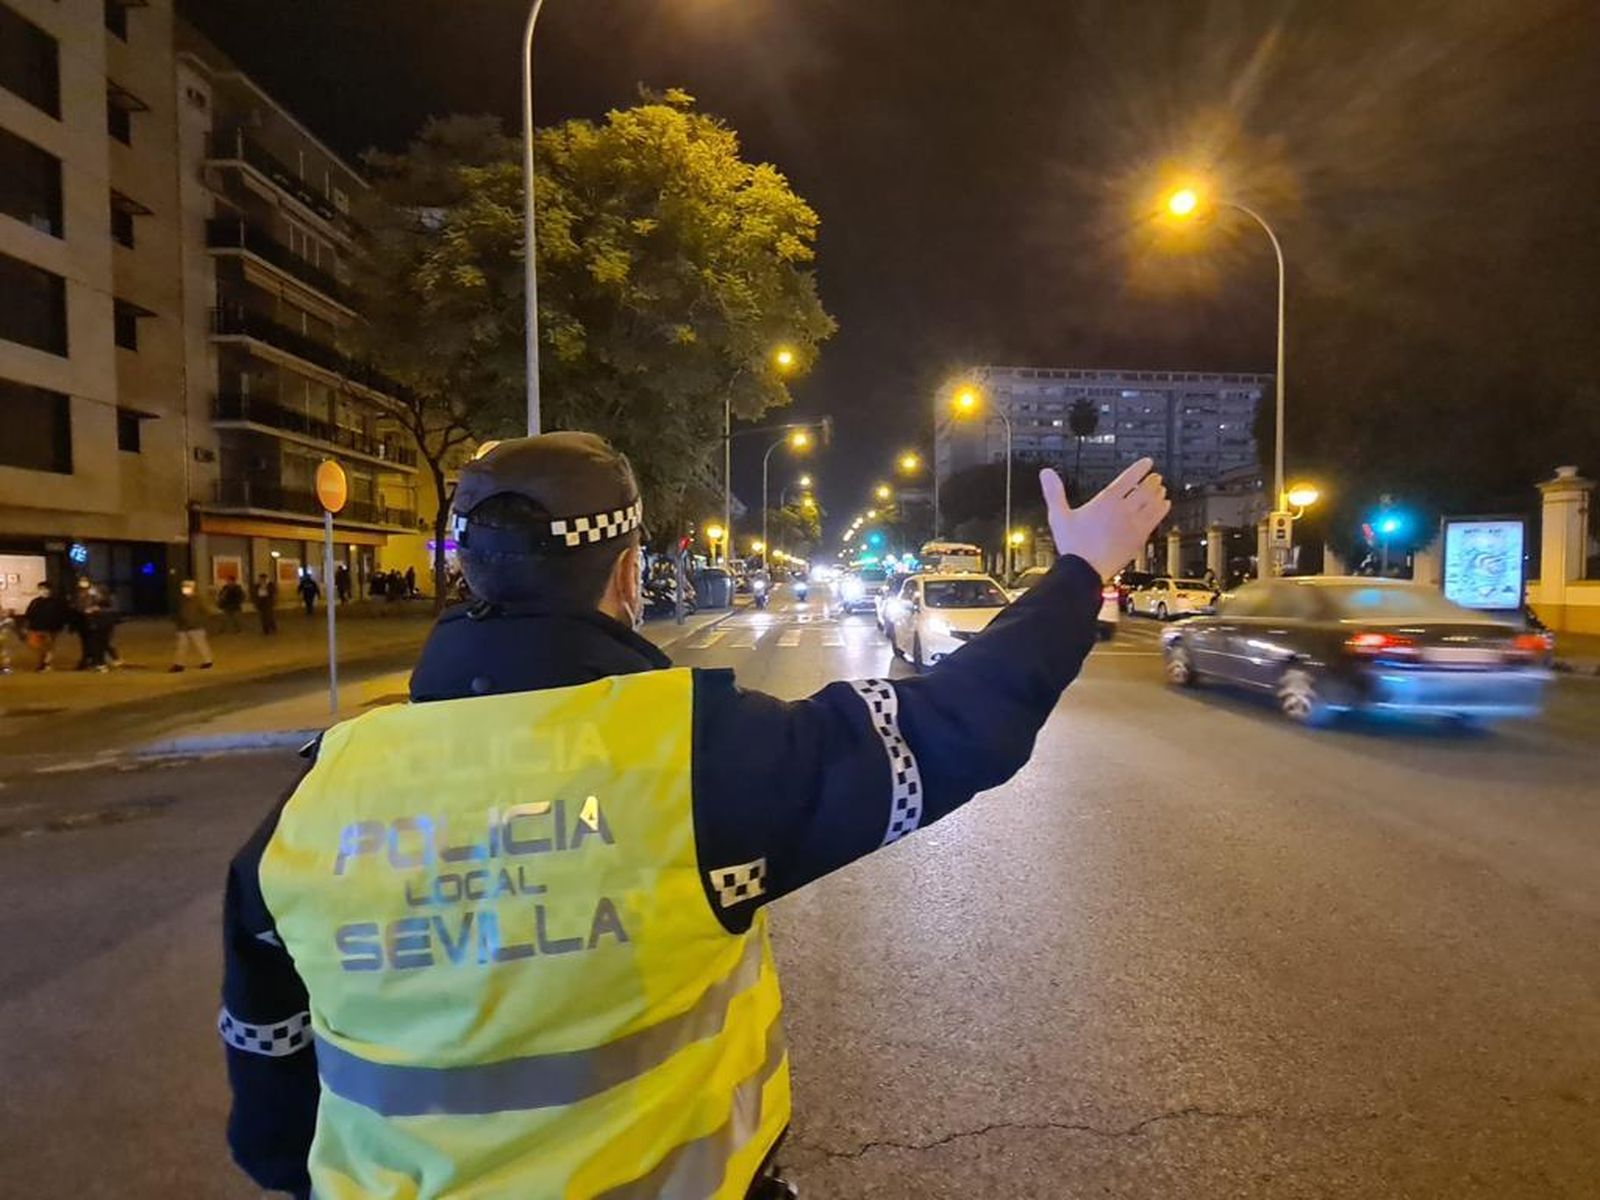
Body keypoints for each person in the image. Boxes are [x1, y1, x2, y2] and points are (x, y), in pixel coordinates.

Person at [219, 432, 1167, 1200]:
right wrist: (1080, 572)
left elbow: (269, 1106)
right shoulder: (698, 758)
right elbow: (954, 728)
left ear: (470, 575)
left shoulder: (311, 805)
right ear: (629, 574)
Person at [22, 582, 71, 671]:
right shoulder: (35, 602)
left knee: (50, 648)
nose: (45, 591)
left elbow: (64, 615)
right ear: (39, 591)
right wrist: (26, 627)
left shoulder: (57, 602)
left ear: (51, 590)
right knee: (37, 648)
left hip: (52, 629)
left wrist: (64, 626)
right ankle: (40, 664)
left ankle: (46, 664)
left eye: (46, 589)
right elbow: (28, 615)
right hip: (36, 629)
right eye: (42, 589)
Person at [170, 579, 215, 673]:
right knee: (181, 646)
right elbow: (177, 611)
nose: (185, 589)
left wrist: (199, 621)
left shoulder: (198, 599)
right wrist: (176, 620)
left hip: (196, 626)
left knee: (200, 644)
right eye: (184, 587)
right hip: (183, 626)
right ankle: (179, 664)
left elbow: (207, 612)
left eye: (188, 587)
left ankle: (208, 660)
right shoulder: (181, 599)